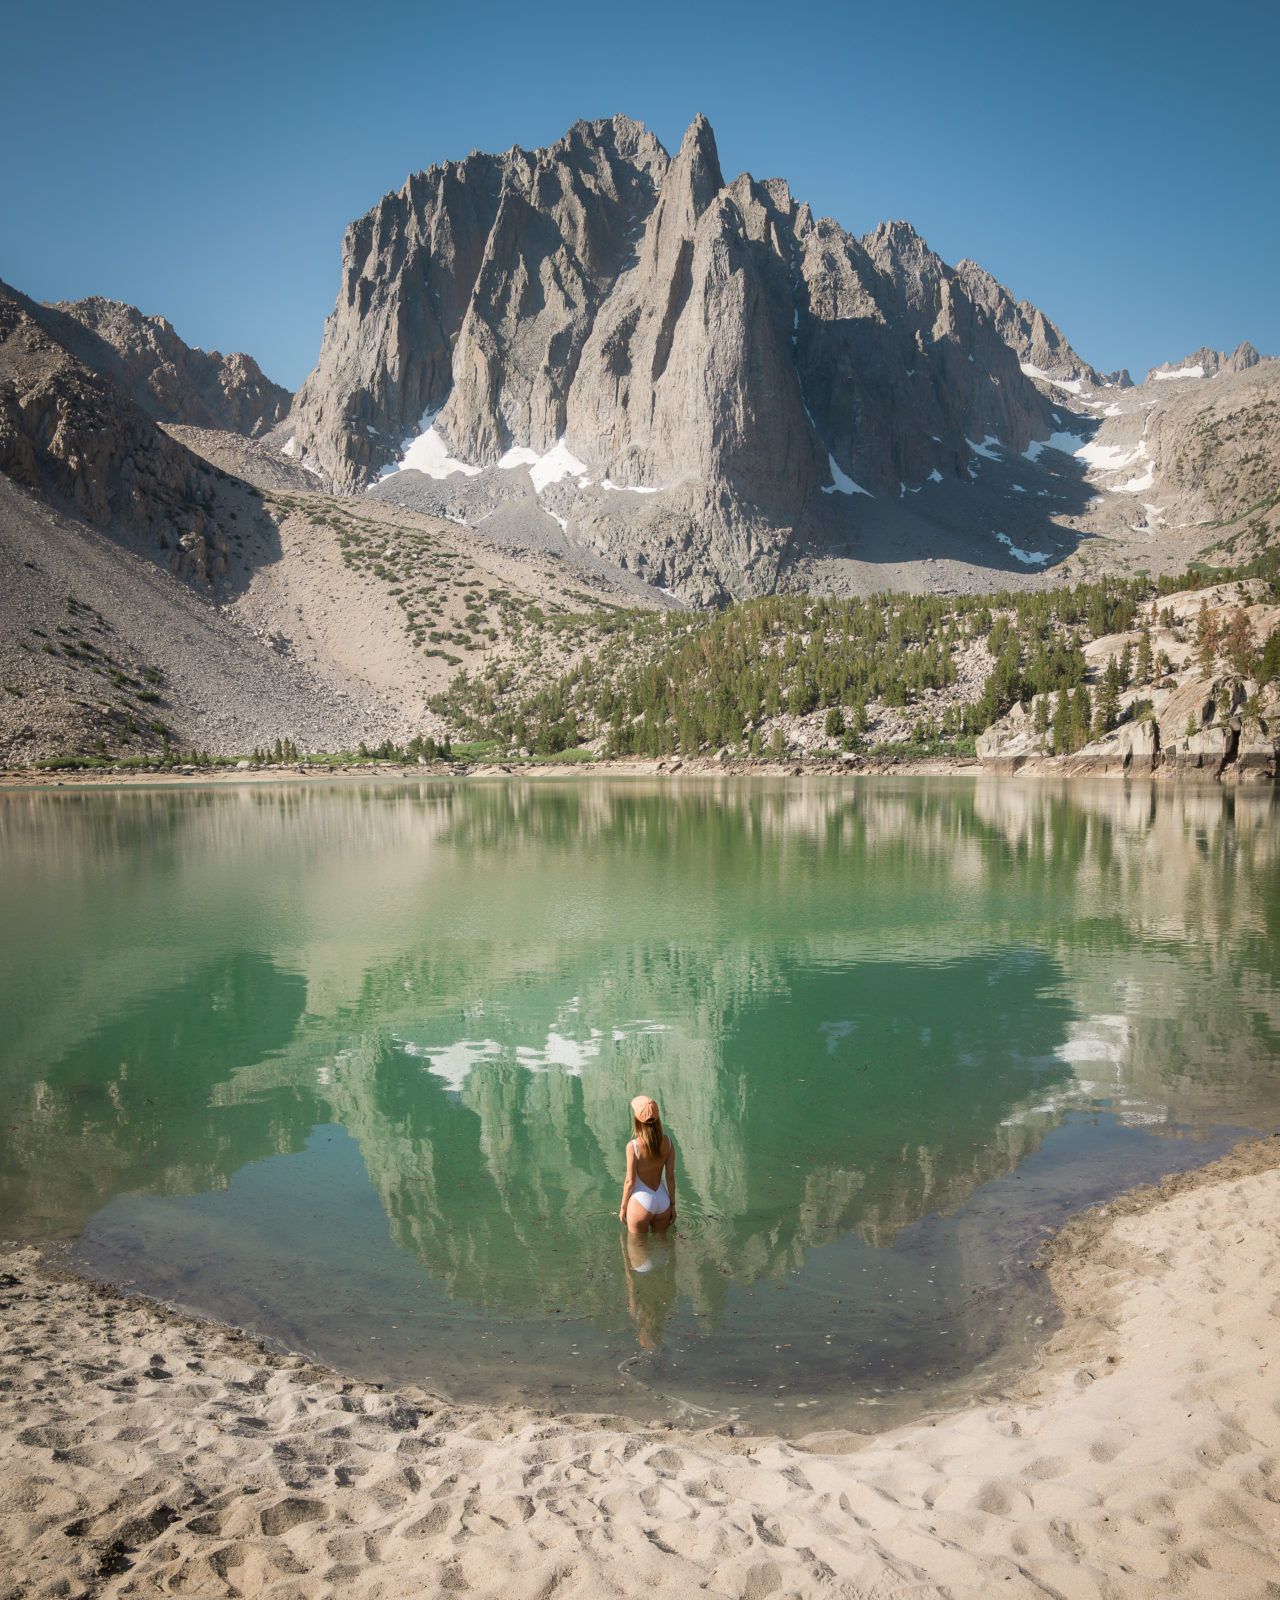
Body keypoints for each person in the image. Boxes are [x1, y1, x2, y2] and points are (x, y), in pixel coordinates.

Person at [619, 1093, 675, 1234]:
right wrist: (673, 1206)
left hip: (641, 1200)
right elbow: (670, 1178)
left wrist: (623, 1207)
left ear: (637, 1119)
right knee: (663, 1246)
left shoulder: (633, 1146)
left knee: (638, 1250)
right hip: (663, 1200)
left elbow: (629, 1182)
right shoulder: (668, 1142)